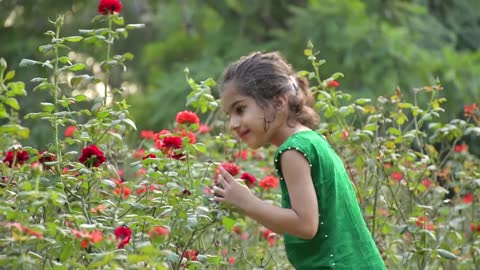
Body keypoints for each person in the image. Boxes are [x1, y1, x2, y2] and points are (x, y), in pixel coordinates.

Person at [213, 51, 386, 269]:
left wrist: (248, 203)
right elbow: (303, 223)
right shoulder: (312, 140)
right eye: (229, 115)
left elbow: (305, 225)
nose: (233, 124)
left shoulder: (293, 151)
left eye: (240, 109)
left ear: (278, 102)